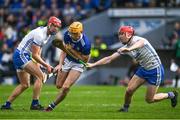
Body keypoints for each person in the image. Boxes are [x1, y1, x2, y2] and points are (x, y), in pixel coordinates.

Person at [87, 26, 178, 112]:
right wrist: (93, 64)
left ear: (128, 35)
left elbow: (140, 44)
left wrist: (130, 49)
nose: (120, 36)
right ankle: (125, 108)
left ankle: (171, 95)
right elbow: (109, 59)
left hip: (155, 70)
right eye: (119, 34)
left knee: (149, 99)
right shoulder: (125, 47)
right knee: (129, 90)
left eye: (121, 34)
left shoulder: (138, 40)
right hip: (143, 69)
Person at [1, 16, 61, 110]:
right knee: (40, 77)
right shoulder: (40, 35)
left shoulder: (48, 34)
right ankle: (35, 104)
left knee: (25, 84)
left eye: (58, 27)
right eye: (55, 26)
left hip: (22, 55)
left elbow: (38, 53)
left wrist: (40, 65)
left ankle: (6, 105)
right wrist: (47, 65)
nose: (56, 28)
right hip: (22, 55)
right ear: (49, 25)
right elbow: (34, 55)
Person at [44, 21, 91, 111]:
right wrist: (60, 64)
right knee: (58, 85)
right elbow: (63, 50)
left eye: (75, 33)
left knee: (65, 87)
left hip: (78, 64)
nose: (72, 35)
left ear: (80, 32)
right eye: (71, 32)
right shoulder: (67, 35)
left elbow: (84, 60)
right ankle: (65, 88)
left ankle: (52, 106)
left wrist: (72, 51)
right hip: (67, 61)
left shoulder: (86, 44)